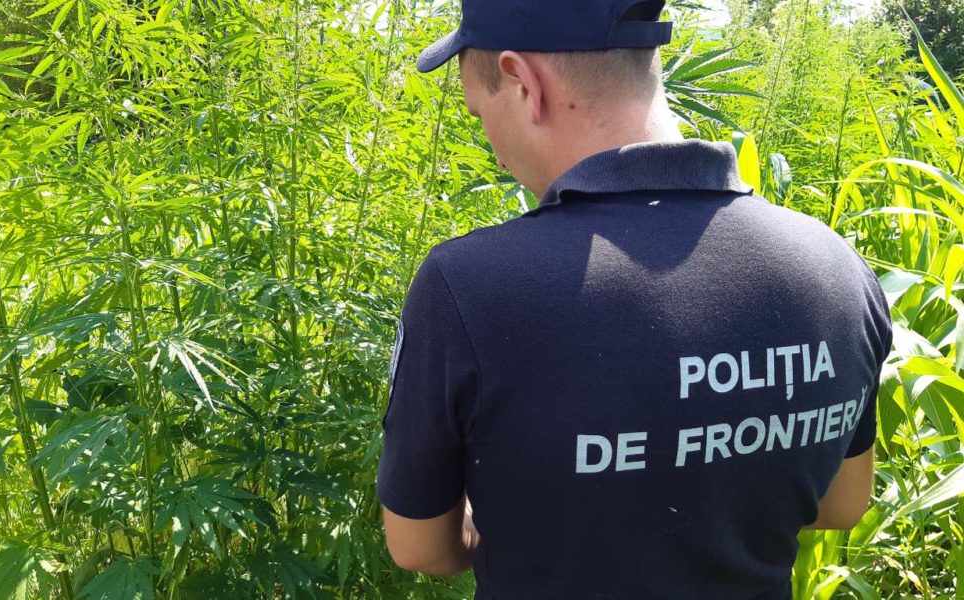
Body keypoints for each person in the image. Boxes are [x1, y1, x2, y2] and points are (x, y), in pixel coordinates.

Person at [374, 0, 894, 598]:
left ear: (522, 82)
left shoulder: (468, 285)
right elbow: (843, 505)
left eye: (479, 113)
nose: (493, 149)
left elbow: (421, 546)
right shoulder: (834, 266)